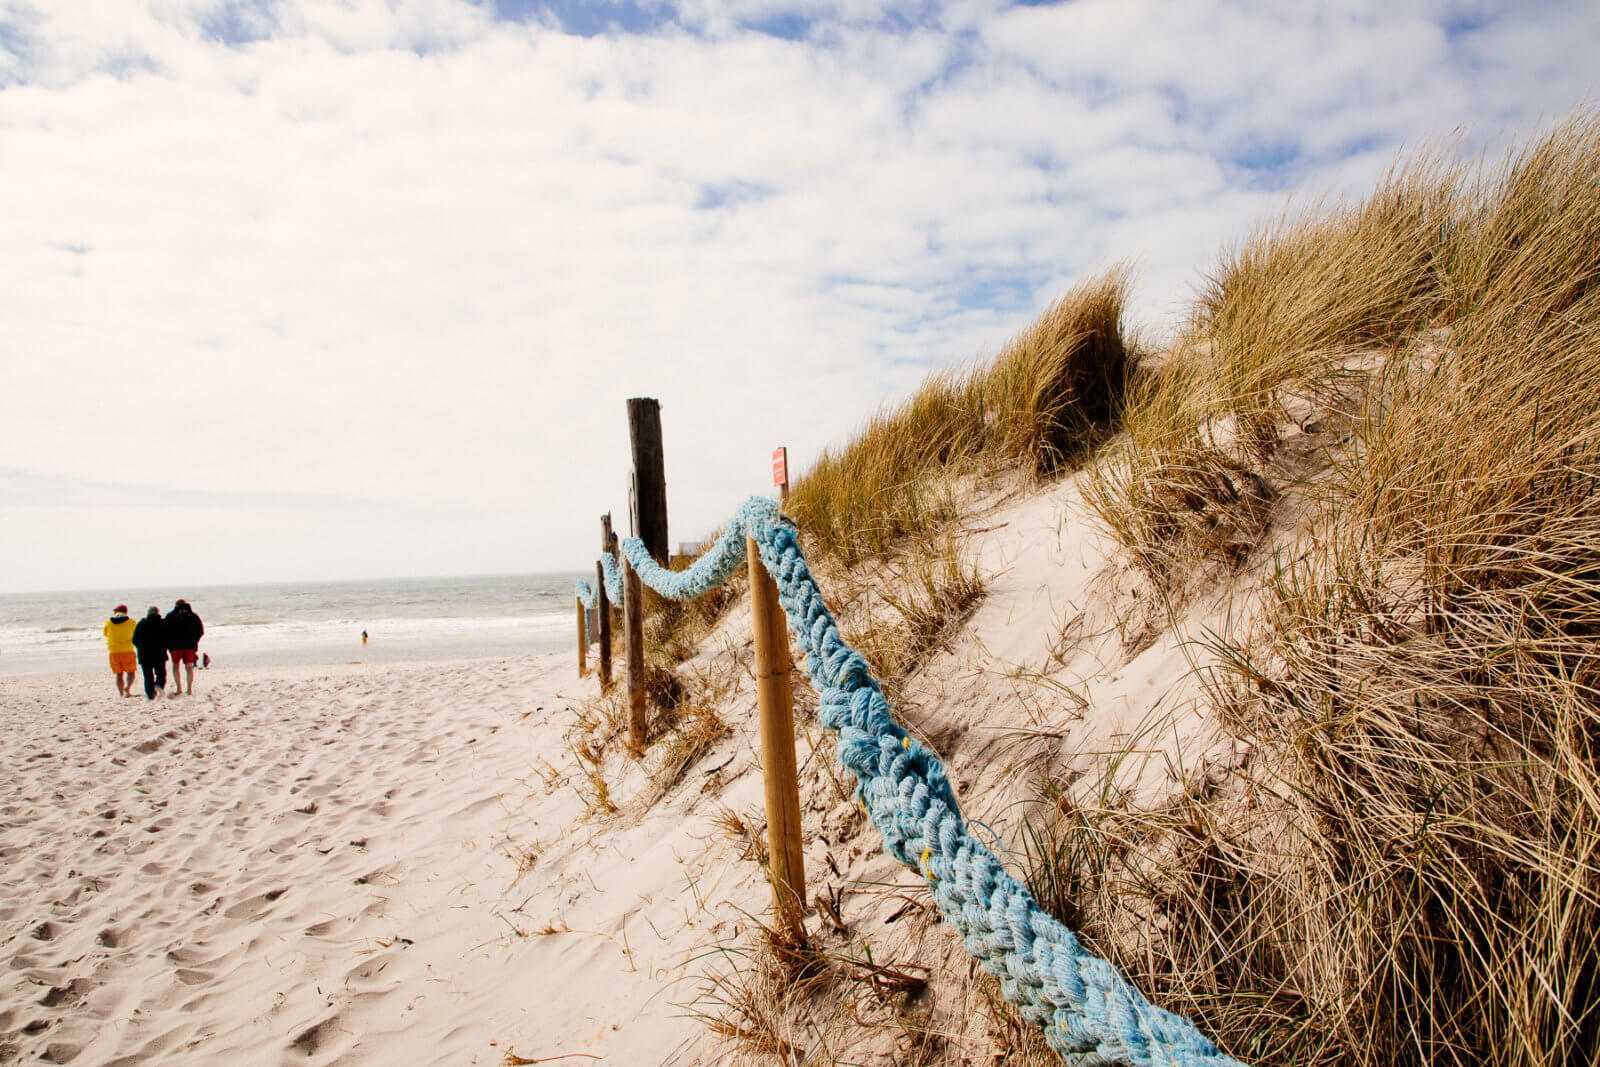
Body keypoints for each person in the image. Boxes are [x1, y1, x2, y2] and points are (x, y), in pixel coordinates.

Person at [166, 598, 205, 696]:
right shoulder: (193, 615)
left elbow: (164, 631)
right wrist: (195, 641)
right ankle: (189, 689)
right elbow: (200, 631)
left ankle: (179, 689)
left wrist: (168, 644)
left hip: (175, 647)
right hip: (189, 646)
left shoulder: (170, 616)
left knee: (175, 667)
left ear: (175, 605)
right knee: (189, 668)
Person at [132, 606, 167, 700]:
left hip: (144, 654)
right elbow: (168, 637)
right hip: (159, 653)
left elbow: (134, 640)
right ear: (158, 612)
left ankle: (150, 695)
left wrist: (140, 647)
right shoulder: (163, 623)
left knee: (148, 676)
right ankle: (158, 685)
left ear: (148, 613)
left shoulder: (141, 623)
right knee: (161, 673)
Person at [103, 604, 137, 697]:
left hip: (113, 651)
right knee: (131, 672)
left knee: (119, 674)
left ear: (116, 612)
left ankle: (121, 693)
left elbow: (105, 634)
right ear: (126, 612)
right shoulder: (131, 622)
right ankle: (127, 689)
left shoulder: (108, 622)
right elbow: (136, 634)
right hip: (128, 650)